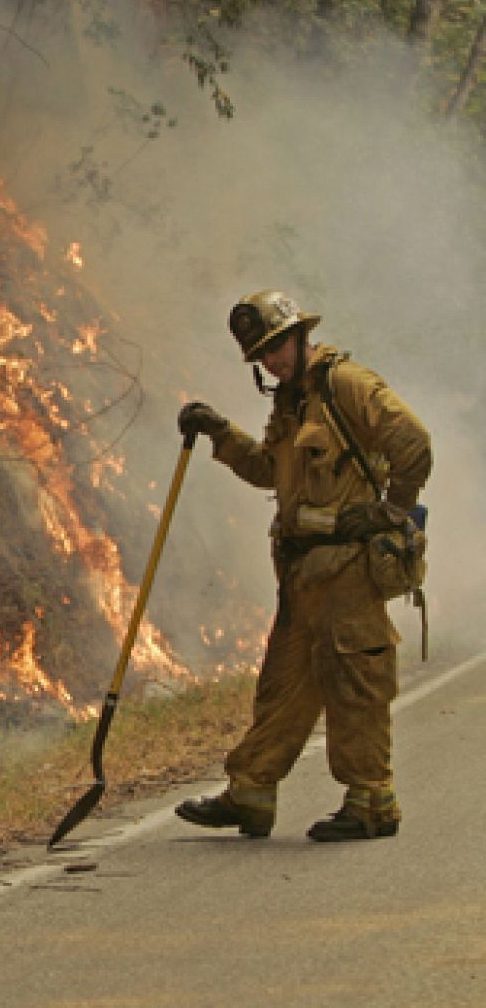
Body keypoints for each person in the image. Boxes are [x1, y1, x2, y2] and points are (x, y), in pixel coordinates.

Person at [174, 289, 432, 842]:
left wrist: (391, 511)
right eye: (260, 355)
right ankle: (251, 792)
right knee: (282, 688)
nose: (270, 361)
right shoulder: (291, 403)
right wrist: (220, 433)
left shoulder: (347, 385)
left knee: (354, 685)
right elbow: (271, 472)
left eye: (275, 347)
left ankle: (371, 802)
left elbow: (414, 444)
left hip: (348, 571)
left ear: (299, 335)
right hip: (301, 577)